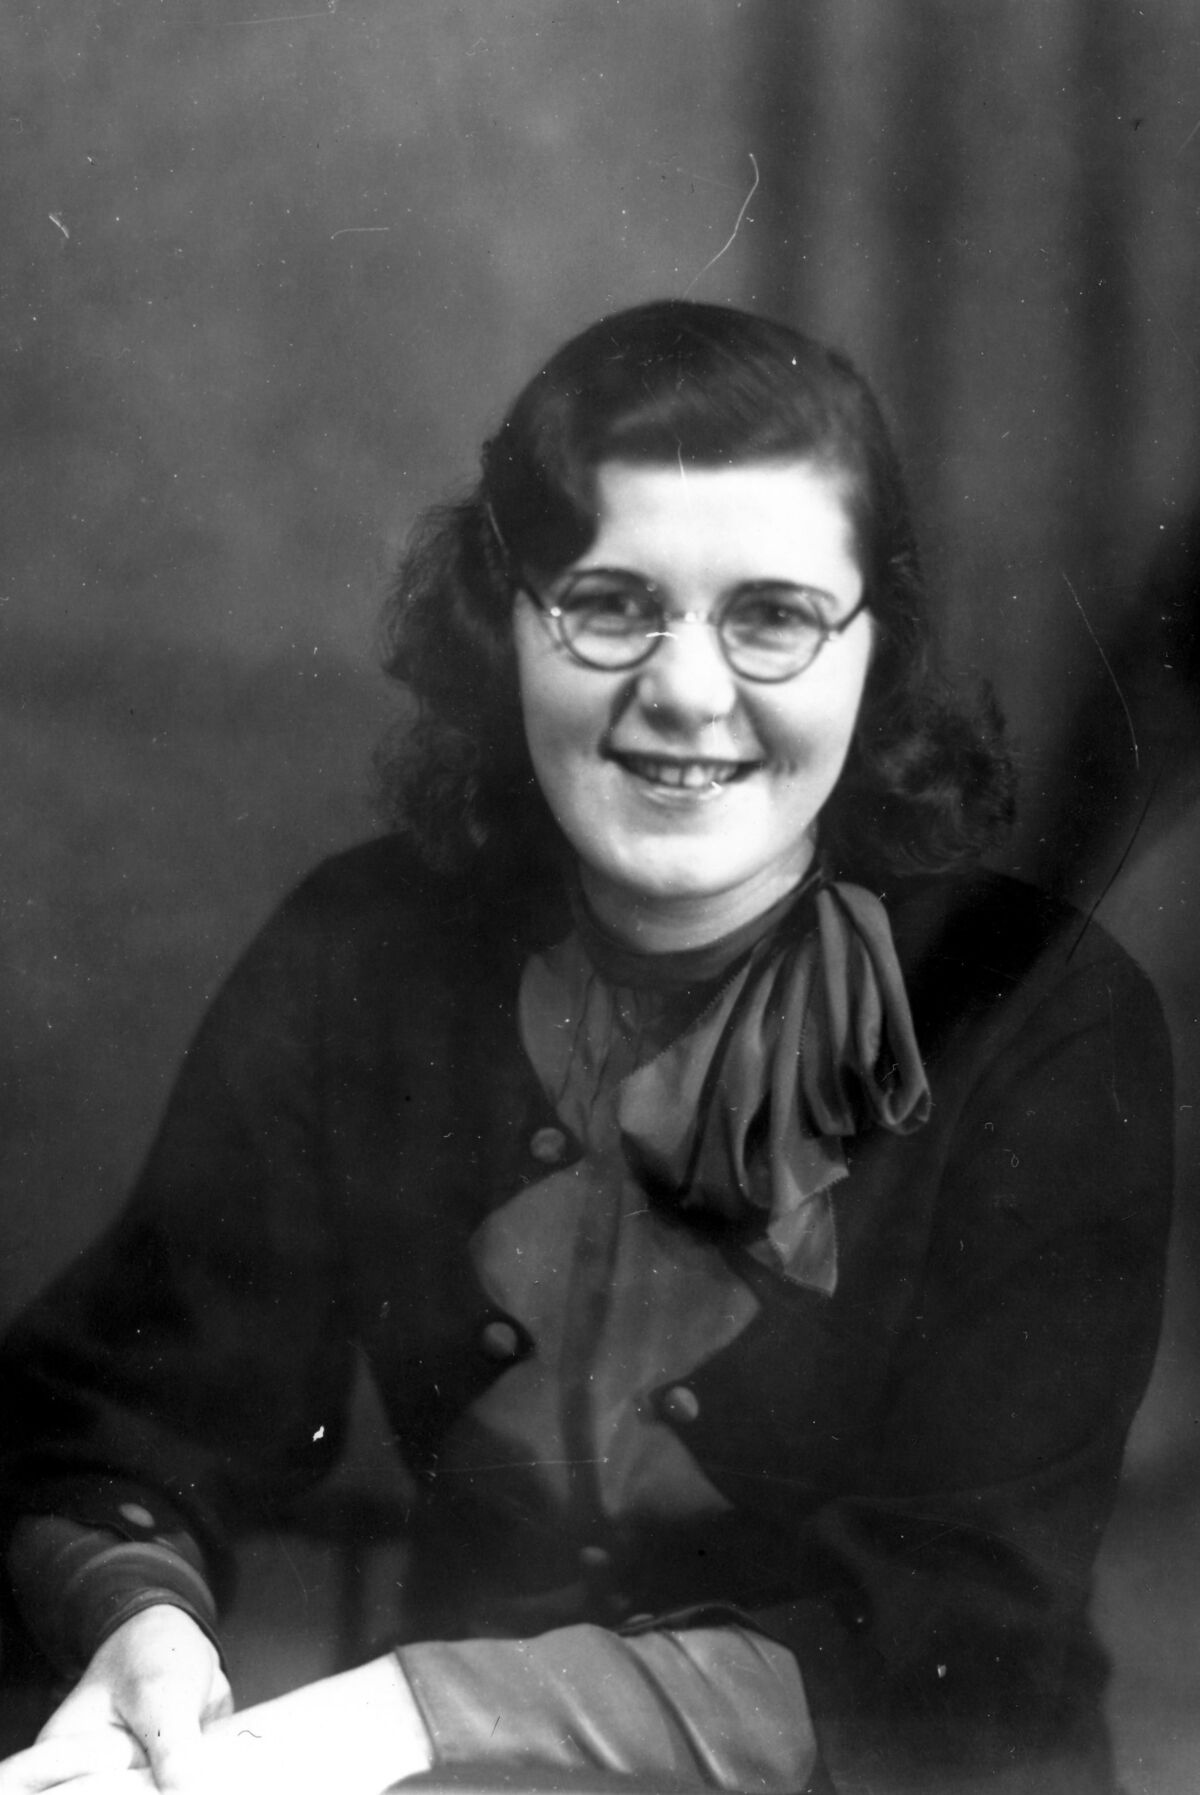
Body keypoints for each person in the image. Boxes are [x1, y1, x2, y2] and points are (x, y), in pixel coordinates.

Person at [0, 300, 1173, 1795]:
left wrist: (407, 1714)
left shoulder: (1043, 1013)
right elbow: (119, 1413)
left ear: (873, 650)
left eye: (774, 616)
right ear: (505, 622)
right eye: (611, 605)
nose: (686, 692)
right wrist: (141, 1624)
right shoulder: (363, 952)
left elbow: (962, 1641)